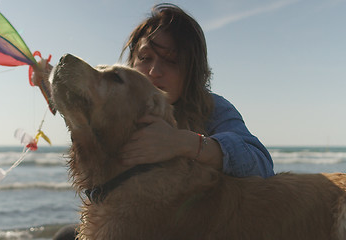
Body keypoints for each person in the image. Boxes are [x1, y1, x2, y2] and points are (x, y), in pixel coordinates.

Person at [34, 3, 274, 239]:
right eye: (145, 57)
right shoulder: (121, 102)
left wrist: (183, 142)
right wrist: (56, 80)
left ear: (192, 71)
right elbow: (85, 121)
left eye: (171, 61)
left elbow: (261, 165)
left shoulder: (213, 108)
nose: (154, 71)